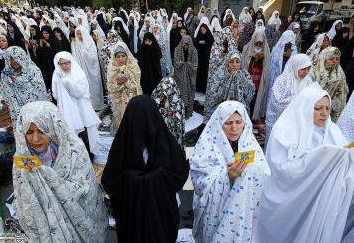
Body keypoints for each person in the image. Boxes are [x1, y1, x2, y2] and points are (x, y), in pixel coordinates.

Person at [257, 84, 354, 243]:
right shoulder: (285, 131)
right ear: (306, 107)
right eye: (318, 108)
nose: (324, 114)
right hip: (291, 200)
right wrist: (318, 158)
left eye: (327, 108)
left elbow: (343, 162)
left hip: (319, 200)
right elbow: (280, 170)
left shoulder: (333, 131)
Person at [13, 101, 108, 242]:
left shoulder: (74, 152)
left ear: (53, 127)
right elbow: (23, 198)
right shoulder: (22, 158)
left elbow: (86, 191)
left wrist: (51, 178)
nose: (35, 139)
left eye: (42, 130)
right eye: (29, 132)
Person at [101, 95, 189, 243]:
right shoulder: (123, 144)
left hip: (161, 213)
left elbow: (179, 173)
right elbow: (110, 180)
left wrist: (150, 179)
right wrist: (138, 180)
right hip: (131, 217)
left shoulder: (165, 142)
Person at [191, 100, 270, 243]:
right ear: (219, 123)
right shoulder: (207, 145)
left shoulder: (249, 143)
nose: (234, 128)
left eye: (239, 122)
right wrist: (225, 176)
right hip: (214, 216)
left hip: (240, 215)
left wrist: (248, 172)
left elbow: (264, 172)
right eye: (228, 123)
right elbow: (199, 181)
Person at [52, 51, 103, 159]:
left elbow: (79, 92)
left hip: (81, 108)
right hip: (67, 110)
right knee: (71, 134)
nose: (65, 66)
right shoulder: (56, 75)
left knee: (85, 133)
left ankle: (90, 155)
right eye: (62, 64)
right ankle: (77, 157)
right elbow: (55, 94)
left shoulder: (78, 73)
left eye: (67, 63)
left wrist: (66, 82)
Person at [265, 54, 313, 141]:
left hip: (298, 121)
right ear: (295, 67)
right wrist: (298, 99)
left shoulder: (308, 81)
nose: (306, 72)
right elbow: (277, 102)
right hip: (281, 120)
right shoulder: (282, 80)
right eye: (303, 69)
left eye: (308, 69)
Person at [0, 46, 47, 128]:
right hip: (17, 112)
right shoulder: (7, 73)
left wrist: (18, 80)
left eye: (17, 57)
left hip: (35, 109)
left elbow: (39, 92)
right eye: (11, 59)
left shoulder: (33, 70)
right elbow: (8, 96)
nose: (14, 61)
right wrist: (19, 112)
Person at [107, 42, 142, 134]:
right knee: (120, 123)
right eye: (118, 56)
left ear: (127, 55)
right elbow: (110, 88)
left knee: (132, 123)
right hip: (118, 100)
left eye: (123, 56)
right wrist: (118, 83)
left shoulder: (134, 67)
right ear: (114, 57)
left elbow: (136, 87)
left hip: (132, 100)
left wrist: (126, 82)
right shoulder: (112, 68)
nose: (121, 59)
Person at [309, 46, 349, 121]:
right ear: (324, 59)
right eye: (331, 59)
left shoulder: (339, 71)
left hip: (334, 109)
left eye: (337, 59)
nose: (335, 61)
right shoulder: (314, 70)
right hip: (318, 107)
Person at [71, 26, 104, 110]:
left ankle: (96, 105)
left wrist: (82, 50)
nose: (79, 36)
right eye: (77, 34)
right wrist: (75, 46)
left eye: (80, 33)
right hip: (82, 69)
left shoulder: (90, 42)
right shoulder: (76, 43)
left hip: (92, 70)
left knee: (94, 88)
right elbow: (75, 57)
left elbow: (92, 57)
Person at [241, 30, 271, 120]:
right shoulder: (247, 48)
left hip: (259, 80)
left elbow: (267, 66)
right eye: (257, 42)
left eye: (260, 43)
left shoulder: (266, 49)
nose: (258, 44)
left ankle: (252, 118)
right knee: (246, 98)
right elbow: (243, 63)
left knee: (255, 98)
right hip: (248, 78)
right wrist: (252, 57)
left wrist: (262, 58)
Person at [151, 76, 185, 147]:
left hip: (171, 131)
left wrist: (173, 111)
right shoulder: (157, 93)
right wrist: (163, 111)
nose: (164, 94)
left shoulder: (177, 100)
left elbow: (179, 114)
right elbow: (152, 108)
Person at [173, 35, 198, 119]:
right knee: (179, 94)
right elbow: (176, 63)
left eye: (187, 45)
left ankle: (188, 112)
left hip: (190, 78)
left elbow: (195, 64)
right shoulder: (177, 50)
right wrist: (184, 65)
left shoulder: (194, 51)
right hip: (180, 78)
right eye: (184, 44)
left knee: (190, 94)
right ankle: (179, 111)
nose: (185, 46)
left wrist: (188, 65)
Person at [267, 30, 297, 98]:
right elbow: (273, 60)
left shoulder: (293, 47)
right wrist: (282, 55)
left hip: (287, 69)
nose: (288, 42)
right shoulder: (277, 47)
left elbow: (295, 58)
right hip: (277, 72)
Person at [194, 18, 214, 92]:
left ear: (206, 29)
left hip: (207, 59)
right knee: (199, 74)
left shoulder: (210, 37)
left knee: (206, 74)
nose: (202, 31)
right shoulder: (198, 37)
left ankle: (204, 89)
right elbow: (195, 44)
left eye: (204, 29)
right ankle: (198, 88)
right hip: (199, 59)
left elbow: (211, 44)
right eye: (201, 29)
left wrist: (204, 44)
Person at [38, 25, 59, 91]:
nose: (45, 35)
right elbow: (40, 52)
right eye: (43, 33)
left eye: (47, 33)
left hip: (53, 64)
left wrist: (48, 45)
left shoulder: (54, 40)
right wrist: (41, 42)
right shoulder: (42, 40)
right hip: (46, 64)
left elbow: (56, 52)